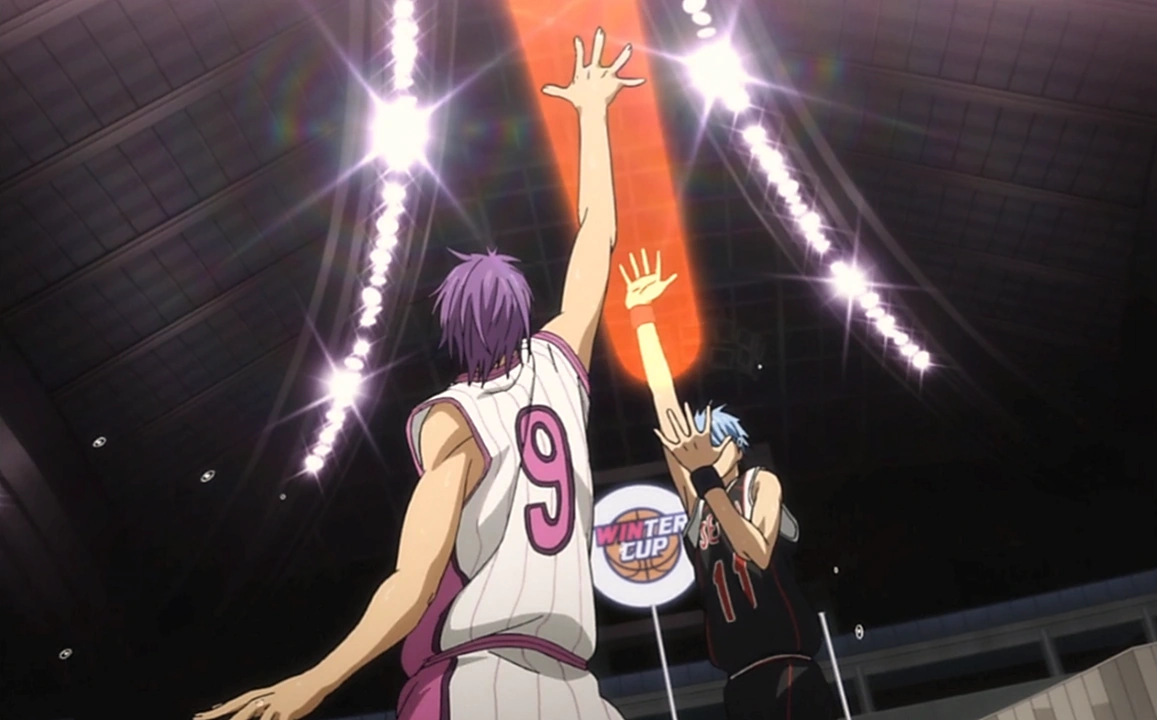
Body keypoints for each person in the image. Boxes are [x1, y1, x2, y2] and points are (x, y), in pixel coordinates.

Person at [195, 28, 643, 720]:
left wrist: (316, 680)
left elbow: (414, 580)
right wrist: (592, 114)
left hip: (482, 679)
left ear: (454, 333)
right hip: (576, 689)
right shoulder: (559, 361)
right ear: (525, 315)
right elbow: (597, 237)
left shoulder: (453, 418)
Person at [619, 250, 839, 720]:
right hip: (739, 681)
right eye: (701, 448)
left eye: (715, 446)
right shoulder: (699, 501)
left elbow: (756, 551)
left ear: (737, 451)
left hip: (790, 668)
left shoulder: (760, 484)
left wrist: (706, 480)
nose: (705, 455)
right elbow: (664, 403)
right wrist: (641, 317)